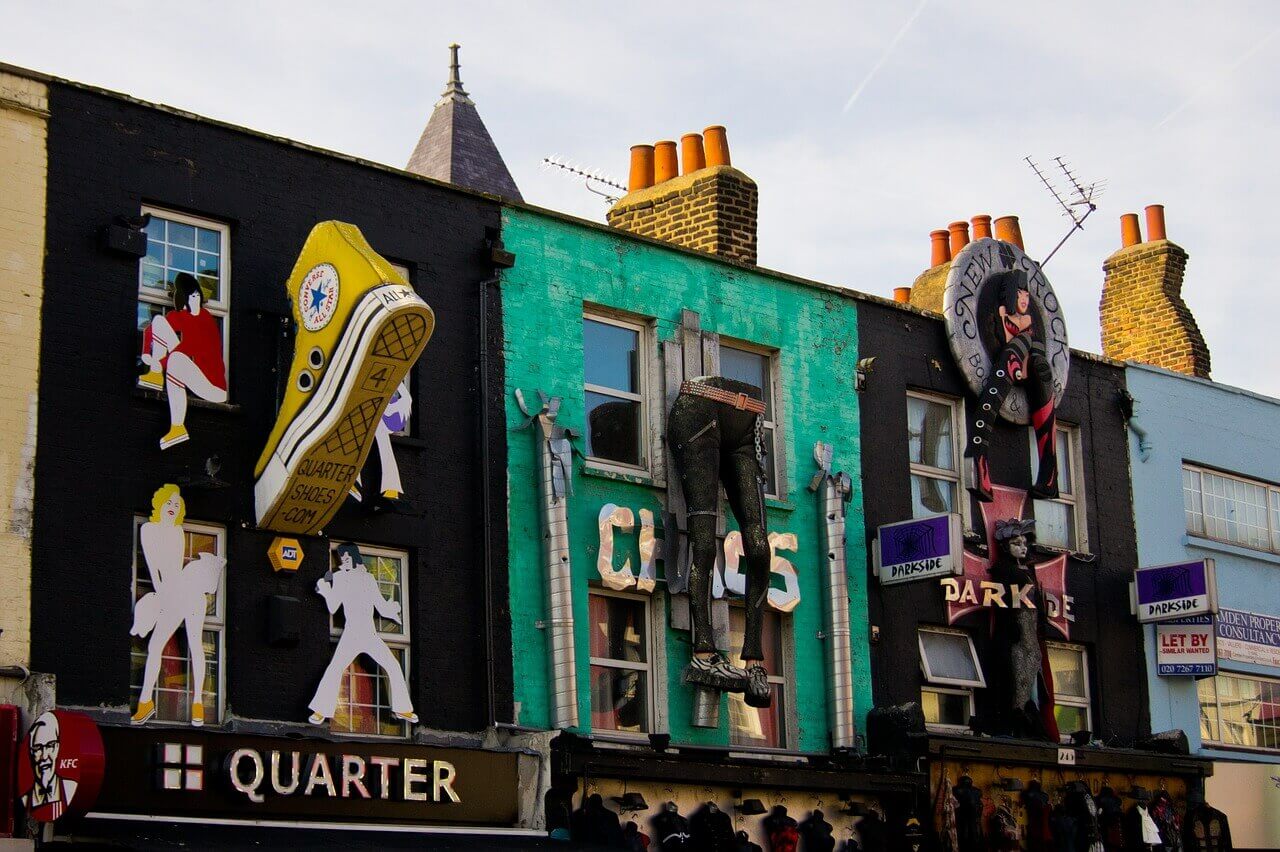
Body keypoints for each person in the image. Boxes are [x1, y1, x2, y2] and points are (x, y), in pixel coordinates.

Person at [667, 376, 772, 708]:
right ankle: (704, 651)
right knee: (704, 544)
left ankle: (754, 660)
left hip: (747, 418)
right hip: (700, 406)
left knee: (758, 546)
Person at [130, 484, 225, 727]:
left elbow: (170, 569)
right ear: (159, 504)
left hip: (185, 591)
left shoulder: (177, 533)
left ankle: (197, 705)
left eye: (177, 504)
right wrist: (163, 598)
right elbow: (155, 572)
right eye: (169, 503)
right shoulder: (149, 530)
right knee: (157, 646)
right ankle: (146, 703)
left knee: (194, 644)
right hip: (173, 593)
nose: (172, 507)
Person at [965, 269, 1058, 502]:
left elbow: (1032, 350)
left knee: (1039, 366)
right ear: (1010, 296)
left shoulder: (1028, 321)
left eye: (1026, 294)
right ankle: (978, 450)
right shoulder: (1004, 314)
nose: (1025, 298)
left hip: (1026, 365)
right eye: (1019, 293)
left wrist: (1026, 361)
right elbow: (1010, 342)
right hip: (1012, 362)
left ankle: (1049, 472)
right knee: (1013, 354)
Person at [308, 543, 417, 726]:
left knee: (393, 664)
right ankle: (320, 710)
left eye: (348, 557)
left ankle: (403, 709)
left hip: (369, 632)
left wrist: (392, 610)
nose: (345, 561)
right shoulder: (341, 577)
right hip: (352, 633)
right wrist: (325, 589)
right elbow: (333, 606)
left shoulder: (369, 578)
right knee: (335, 667)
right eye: (343, 558)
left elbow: (380, 605)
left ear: (354, 556)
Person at [138, 273, 228, 449]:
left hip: (214, 387)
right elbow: (153, 329)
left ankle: (178, 427)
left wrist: (162, 362)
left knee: (176, 360)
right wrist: (146, 355)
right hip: (195, 376)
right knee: (158, 320)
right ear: (184, 299)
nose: (195, 300)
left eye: (197, 296)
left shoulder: (206, 320)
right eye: (191, 296)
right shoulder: (182, 316)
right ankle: (155, 376)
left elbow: (191, 346)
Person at [22, 713, 77, 821]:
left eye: (50, 746)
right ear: (30, 752)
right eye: (37, 748)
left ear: (57, 748)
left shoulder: (70, 789)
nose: (44, 756)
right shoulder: (26, 798)